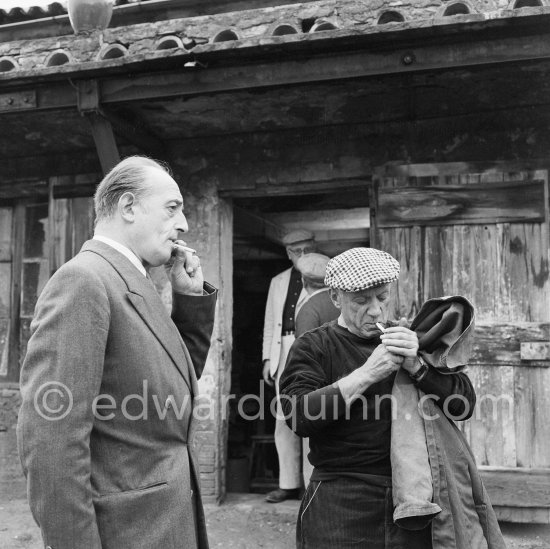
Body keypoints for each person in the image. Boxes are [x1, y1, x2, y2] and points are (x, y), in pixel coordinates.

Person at [17, 156, 217, 549]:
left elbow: (166, 397)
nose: (184, 225)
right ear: (127, 207)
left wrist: (189, 302)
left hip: (161, 524)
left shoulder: (133, 280)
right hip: (128, 531)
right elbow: (52, 442)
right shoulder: (84, 280)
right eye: (173, 208)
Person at [280, 247, 504, 549]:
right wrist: (368, 373)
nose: (375, 310)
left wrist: (418, 367)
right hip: (340, 498)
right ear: (336, 298)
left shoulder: (409, 340)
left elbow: (464, 405)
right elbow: (299, 416)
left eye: (382, 297)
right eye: (361, 300)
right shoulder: (313, 346)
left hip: (414, 498)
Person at [262, 229, 315, 503]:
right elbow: (271, 321)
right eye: (296, 251)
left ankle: (310, 484)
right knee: (283, 420)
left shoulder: (324, 277)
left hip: (311, 351)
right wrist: (268, 359)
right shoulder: (278, 281)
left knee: (311, 416)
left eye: (306, 249)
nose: (301, 256)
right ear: (288, 253)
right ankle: (288, 483)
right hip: (282, 351)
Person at [294, 252, 339, 486]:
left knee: (313, 453)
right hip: (348, 389)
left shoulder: (308, 309)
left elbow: (304, 359)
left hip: (319, 390)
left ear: (304, 281)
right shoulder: (343, 302)